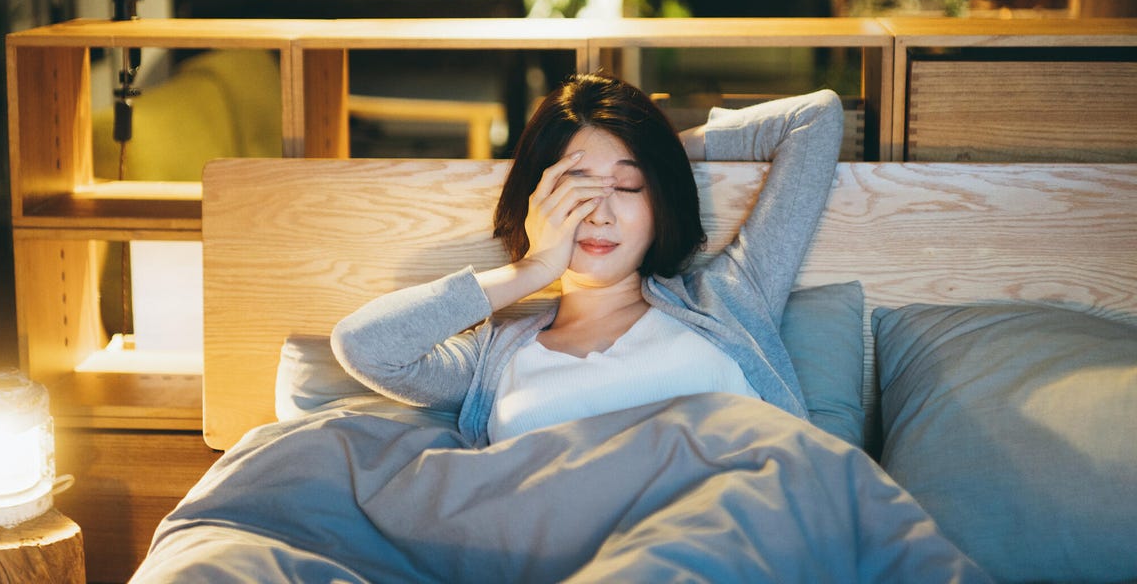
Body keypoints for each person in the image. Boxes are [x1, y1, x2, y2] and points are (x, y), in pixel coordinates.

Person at [331, 74, 844, 446]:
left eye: (625, 184)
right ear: (536, 202)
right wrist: (531, 270)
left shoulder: (730, 298)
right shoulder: (492, 358)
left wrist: (662, 154)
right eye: (575, 188)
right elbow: (365, 346)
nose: (599, 213)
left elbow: (815, 118)